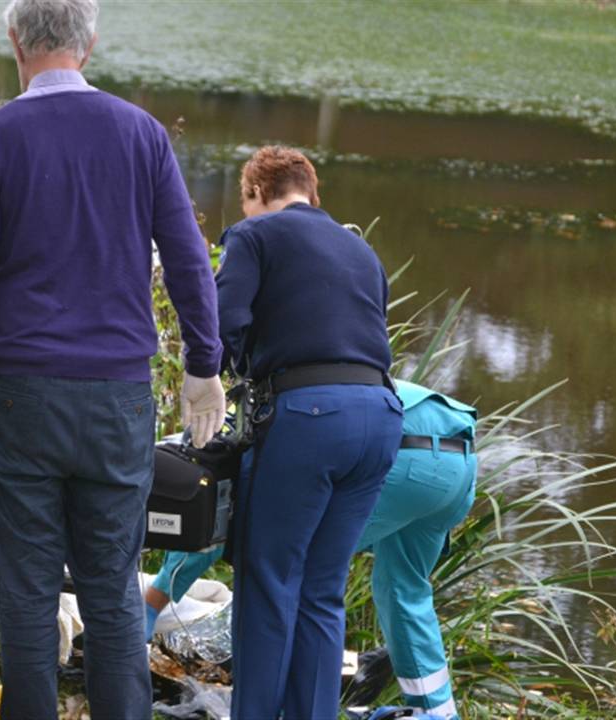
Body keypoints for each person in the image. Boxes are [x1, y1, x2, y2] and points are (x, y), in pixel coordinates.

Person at [0, 1, 226, 716]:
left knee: (26, 595)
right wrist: (203, 367)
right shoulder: (140, 134)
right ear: (92, 44)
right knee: (112, 591)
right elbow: (187, 262)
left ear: (14, 40)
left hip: (17, 396)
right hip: (115, 399)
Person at [145, 379, 478, 718]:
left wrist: (153, 601)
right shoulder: (273, 394)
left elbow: (215, 515)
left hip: (401, 457)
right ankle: (438, 713)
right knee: (404, 592)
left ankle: (288, 707)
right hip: (459, 461)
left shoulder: (242, 418)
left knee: (300, 578)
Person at [215, 145, 404, 718]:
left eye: (246, 200)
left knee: (269, 581)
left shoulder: (254, 236)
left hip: (309, 419)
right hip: (381, 418)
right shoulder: (362, 250)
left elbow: (222, 323)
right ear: (311, 193)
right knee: (322, 589)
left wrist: (230, 373)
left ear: (255, 193)